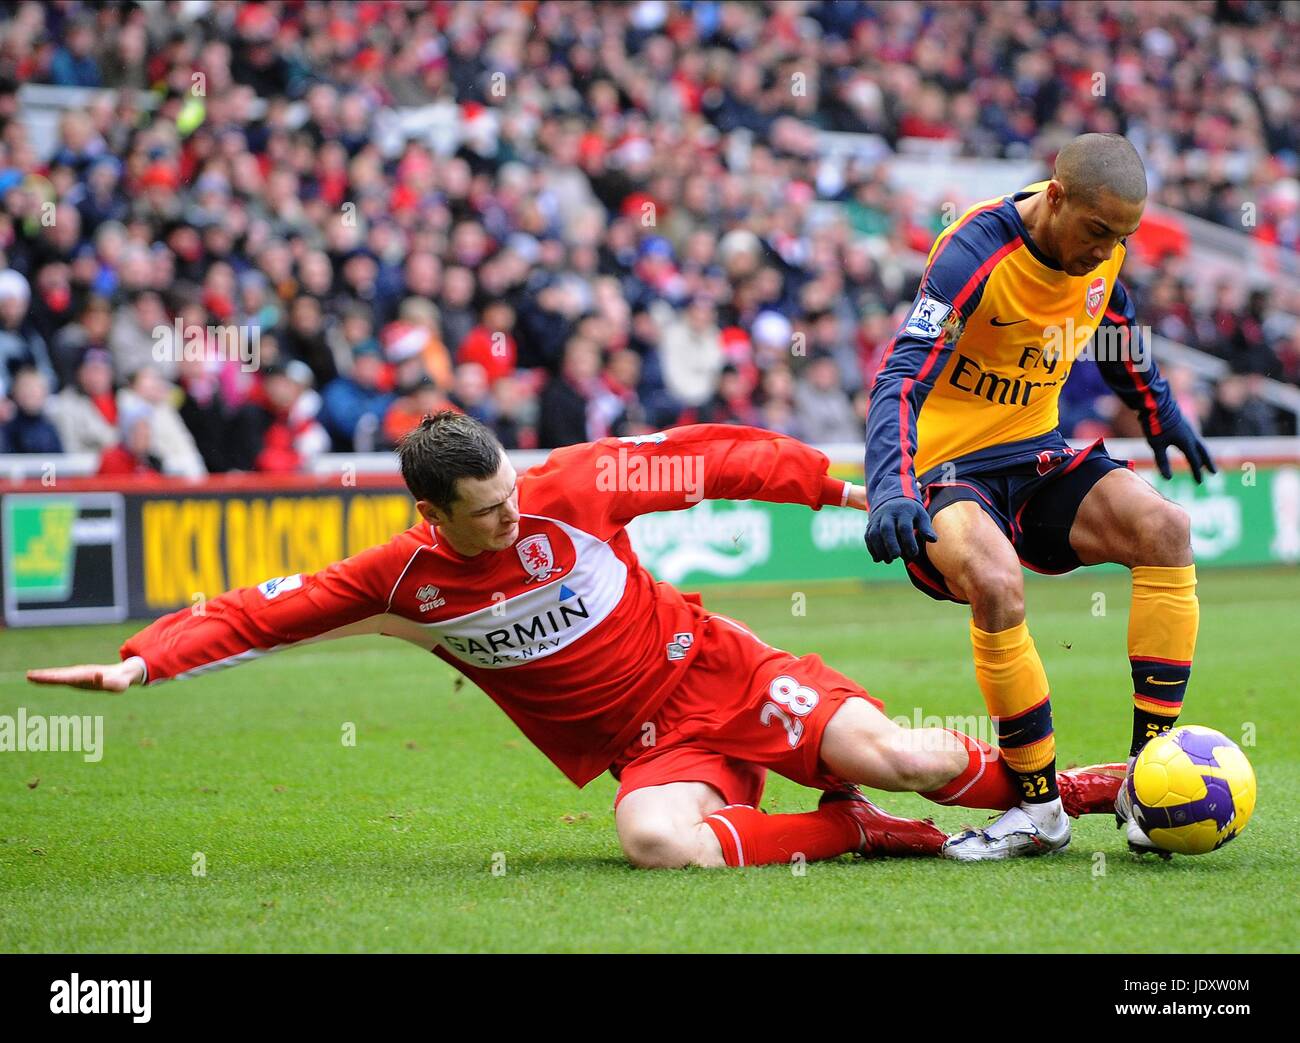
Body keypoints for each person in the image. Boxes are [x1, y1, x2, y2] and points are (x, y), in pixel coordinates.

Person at [29, 414, 1121, 870]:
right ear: (432, 513)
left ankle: (1081, 789)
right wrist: (144, 657)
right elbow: (256, 609)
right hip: (655, 749)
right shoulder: (399, 579)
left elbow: (709, 457)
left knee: (912, 755)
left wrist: (841, 488)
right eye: (487, 512)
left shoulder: (569, 486)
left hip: (724, 671)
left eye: (509, 493)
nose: (511, 516)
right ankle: (870, 838)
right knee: (653, 841)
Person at [863, 133, 1213, 860]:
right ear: (1056, 197)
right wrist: (889, 484)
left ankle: (1147, 779)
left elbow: (1115, 330)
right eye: (1097, 231)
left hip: (1037, 453)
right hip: (949, 466)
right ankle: (1038, 809)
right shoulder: (975, 254)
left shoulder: (1104, 246)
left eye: (1123, 235)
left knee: (1166, 530)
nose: (1107, 248)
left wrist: (1161, 415)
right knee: (997, 581)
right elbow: (902, 373)